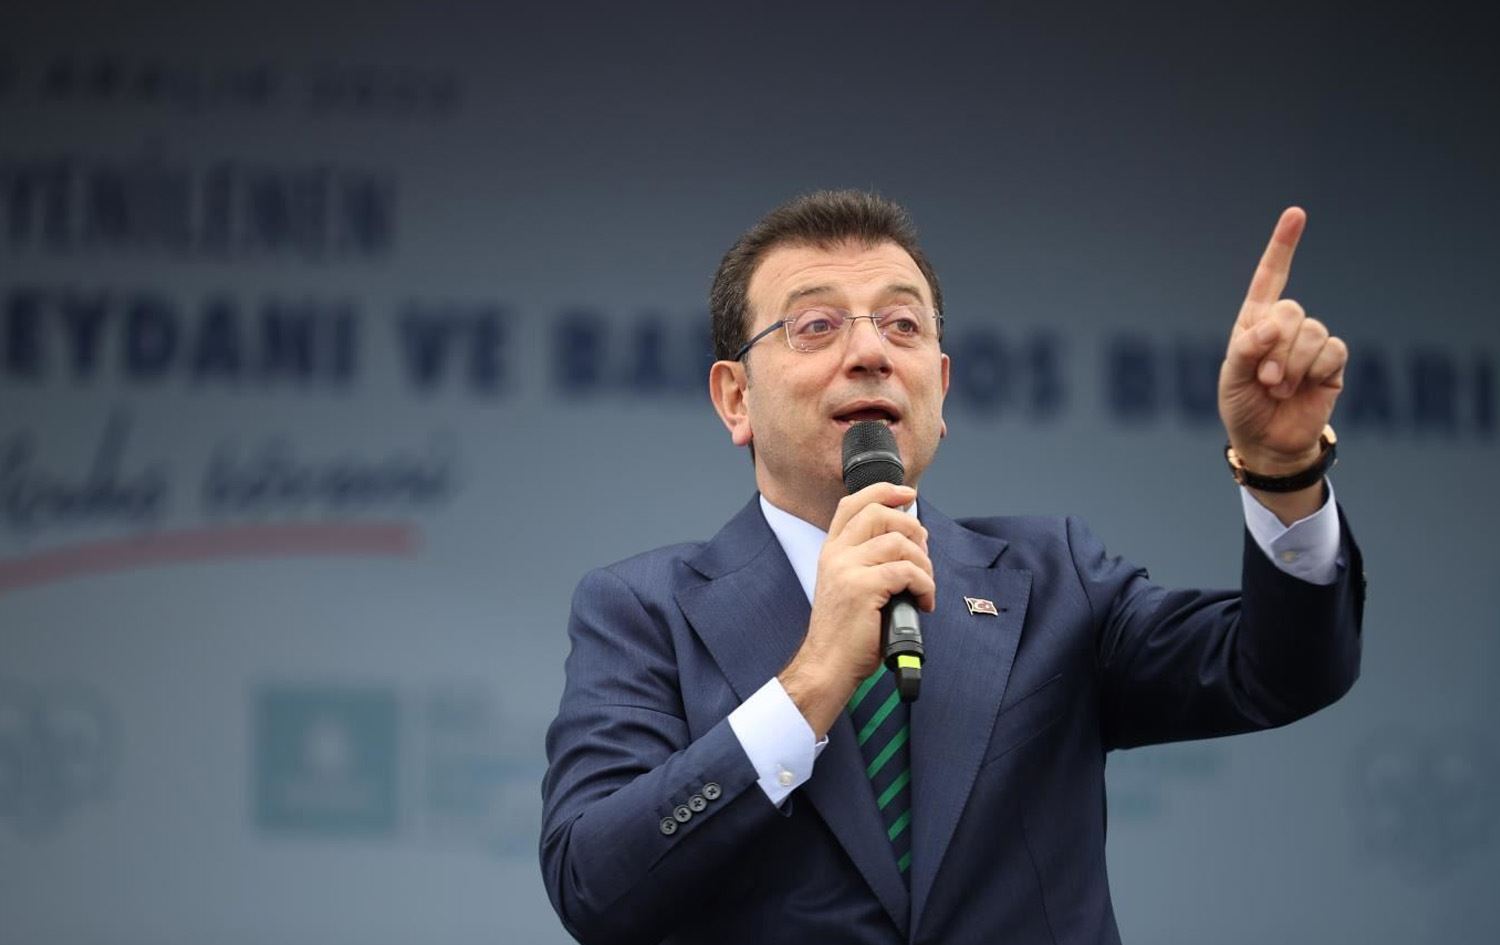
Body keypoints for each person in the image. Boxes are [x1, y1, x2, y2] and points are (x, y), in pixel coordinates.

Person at [539, 191, 1365, 944]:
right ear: (735, 398)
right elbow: (595, 885)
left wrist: (1281, 472)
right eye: (816, 325)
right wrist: (811, 682)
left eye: (903, 325)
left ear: (939, 386)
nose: (870, 350)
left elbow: (1282, 669)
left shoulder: (1054, 579)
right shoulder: (644, 610)